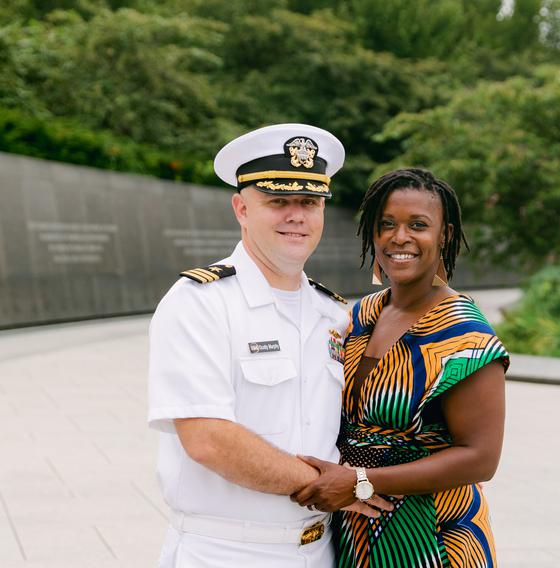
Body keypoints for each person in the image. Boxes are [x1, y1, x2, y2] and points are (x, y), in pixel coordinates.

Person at [147, 123, 388, 568]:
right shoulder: (200, 302)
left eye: (310, 202)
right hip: (227, 551)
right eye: (278, 201)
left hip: (322, 549)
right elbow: (209, 440)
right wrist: (336, 486)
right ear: (241, 208)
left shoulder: (333, 313)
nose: (296, 215)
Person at [291, 168, 509, 567]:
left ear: (444, 235)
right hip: (357, 533)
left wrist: (361, 482)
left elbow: (481, 457)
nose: (399, 237)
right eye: (386, 224)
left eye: (418, 225)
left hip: (434, 537)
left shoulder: (465, 334)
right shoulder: (360, 314)